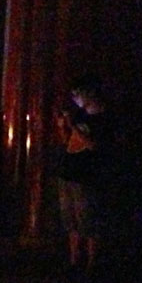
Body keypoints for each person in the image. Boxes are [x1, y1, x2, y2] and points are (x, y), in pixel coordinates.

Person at [55, 74, 114, 272]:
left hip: (86, 175)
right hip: (68, 171)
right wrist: (63, 128)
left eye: (77, 94)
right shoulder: (79, 115)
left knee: (88, 220)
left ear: (88, 93)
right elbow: (68, 142)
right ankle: (73, 259)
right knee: (70, 220)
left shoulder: (104, 118)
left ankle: (91, 262)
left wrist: (72, 127)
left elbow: (93, 145)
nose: (74, 98)